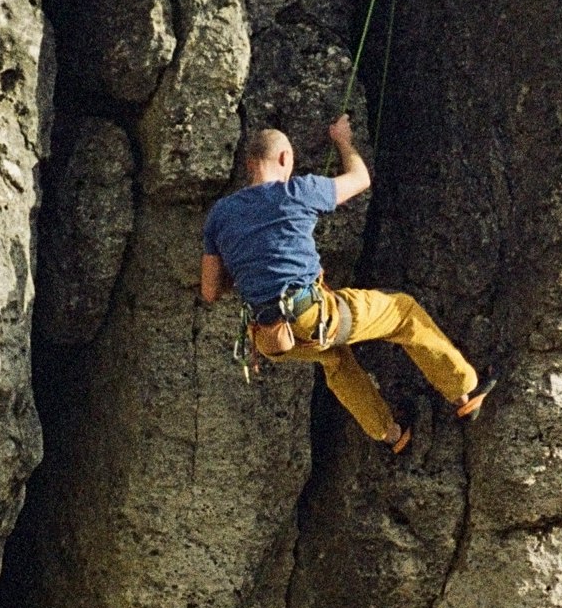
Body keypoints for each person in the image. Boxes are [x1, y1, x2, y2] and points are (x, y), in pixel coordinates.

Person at [199, 116, 491, 451]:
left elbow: (210, 291)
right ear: (284, 159)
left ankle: (392, 435)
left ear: (250, 164)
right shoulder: (297, 191)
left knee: (334, 359)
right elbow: (360, 178)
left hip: (270, 338)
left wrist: (252, 265)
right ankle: (464, 392)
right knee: (404, 311)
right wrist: (343, 140)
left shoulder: (220, 215)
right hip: (313, 316)